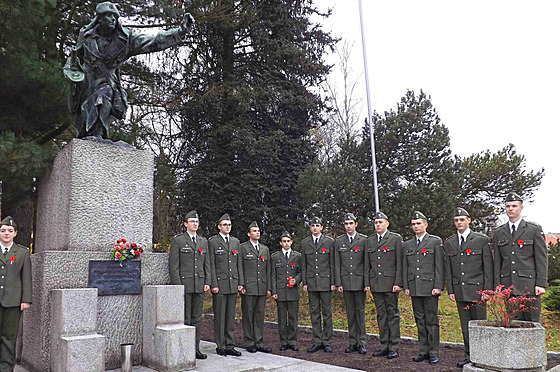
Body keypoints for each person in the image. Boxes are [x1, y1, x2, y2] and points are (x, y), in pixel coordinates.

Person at [63, 2, 195, 138]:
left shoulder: (126, 39)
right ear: (100, 19)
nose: (113, 19)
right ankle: (88, 137)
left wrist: (180, 32)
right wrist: (69, 71)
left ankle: (98, 136)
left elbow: (154, 41)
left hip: (106, 83)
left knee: (103, 95)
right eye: (108, 15)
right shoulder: (86, 35)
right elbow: (74, 56)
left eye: (115, 16)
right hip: (85, 84)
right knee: (83, 121)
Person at [444, 207, 493, 368]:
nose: (459, 222)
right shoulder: (450, 242)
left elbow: (488, 267)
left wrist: (487, 290)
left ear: (469, 220)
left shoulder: (480, 239)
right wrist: (451, 290)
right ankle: (469, 355)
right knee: (465, 326)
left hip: (477, 290)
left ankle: (483, 356)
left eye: (462, 220)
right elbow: (449, 269)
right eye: (456, 220)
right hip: (460, 290)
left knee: (479, 325)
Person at [493, 192, 547, 322]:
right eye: (508, 206)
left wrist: (541, 283)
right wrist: (498, 285)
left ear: (521, 208)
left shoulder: (533, 229)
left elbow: (541, 258)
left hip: (529, 285)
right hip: (508, 286)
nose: (510, 209)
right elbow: (497, 261)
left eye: (514, 206)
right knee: (513, 323)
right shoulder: (499, 232)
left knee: (532, 323)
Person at [403, 211, 444, 364]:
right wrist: (406, 286)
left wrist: (438, 286)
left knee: (431, 320)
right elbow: (406, 267)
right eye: (413, 224)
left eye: (419, 223)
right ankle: (423, 350)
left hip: (430, 287)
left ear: (426, 224)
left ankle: (434, 351)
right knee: (419, 320)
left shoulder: (434, 241)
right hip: (414, 287)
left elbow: (439, 265)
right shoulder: (407, 244)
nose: (416, 226)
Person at [168, 210, 210, 359]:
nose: (195, 224)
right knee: (185, 318)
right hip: (184, 284)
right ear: (185, 224)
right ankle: (184, 348)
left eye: (197, 222)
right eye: (192, 221)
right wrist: (178, 286)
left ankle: (195, 348)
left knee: (197, 318)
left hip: (199, 284)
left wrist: (207, 282)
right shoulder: (178, 240)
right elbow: (174, 266)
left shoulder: (203, 241)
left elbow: (207, 264)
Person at [366, 211, 403, 360]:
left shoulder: (395, 239)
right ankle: (384, 345)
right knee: (381, 315)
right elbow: (367, 264)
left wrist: (398, 282)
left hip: (390, 284)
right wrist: (367, 283)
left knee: (392, 315)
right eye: (376, 222)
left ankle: (394, 346)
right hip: (376, 283)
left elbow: (400, 263)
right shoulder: (369, 241)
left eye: (380, 222)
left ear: (387, 223)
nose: (378, 225)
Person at [208, 213, 243, 356]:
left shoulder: (235, 242)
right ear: (219, 227)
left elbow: (238, 264)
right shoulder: (213, 242)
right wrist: (213, 284)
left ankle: (230, 344)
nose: (227, 227)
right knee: (220, 316)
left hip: (232, 284)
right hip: (220, 284)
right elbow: (210, 264)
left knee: (230, 316)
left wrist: (240, 282)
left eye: (229, 225)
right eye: (224, 225)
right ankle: (220, 344)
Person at [0, 216, 32, 371]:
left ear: (15, 233)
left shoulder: (22, 252)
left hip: (13, 301)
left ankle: (5, 368)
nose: (6, 233)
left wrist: (26, 299)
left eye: (10, 231)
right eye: (3, 230)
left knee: (9, 337)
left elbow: (26, 277)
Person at [334, 213, 368, 355]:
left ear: (356, 224)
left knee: (360, 313)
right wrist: (338, 282)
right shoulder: (339, 241)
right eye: (346, 224)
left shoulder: (364, 240)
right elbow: (337, 263)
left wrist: (366, 283)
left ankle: (362, 343)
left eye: (350, 224)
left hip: (360, 282)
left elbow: (366, 263)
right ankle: (352, 342)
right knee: (350, 313)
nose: (348, 226)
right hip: (346, 282)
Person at [301, 217, 335, 353]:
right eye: (312, 225)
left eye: (317, 225)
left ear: (321, 227)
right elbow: (304, 265)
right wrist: (305, 282)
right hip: (312, 283)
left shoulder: (329, 242)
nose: (315, 228)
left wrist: (333, 282)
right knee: (314, 312)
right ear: (310, 228)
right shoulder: (305, 243)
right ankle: (317, 341)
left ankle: (327, 341)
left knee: (327, 313)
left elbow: (332, 264)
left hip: (325, 282)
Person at [238, 221, 272, 353]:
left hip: (261, 287)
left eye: (258, 231)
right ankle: (249, 341)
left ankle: (259, 341)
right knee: (248, 314)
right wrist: (241, 284)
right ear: (248, 234)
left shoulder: (264, 249)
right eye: (254, 231)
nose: (257, 233)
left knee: (259, 315)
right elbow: (239, 267)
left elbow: (267, 269)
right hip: (249, 287)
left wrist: (268, 286)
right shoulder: (243, 248)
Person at [271, 231, 302, 351]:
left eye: (288, 241)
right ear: (280, 243)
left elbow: (301, 272)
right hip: (281, 292)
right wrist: (274, 291)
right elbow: (273, 276)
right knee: (282, 318)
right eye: (284, 241)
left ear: (291, 242)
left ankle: (293, 341)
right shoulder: (275, 257)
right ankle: (284, 341)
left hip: (293, 292)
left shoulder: (297, 256)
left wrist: (297, 280)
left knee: (293, 318)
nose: (286, 243)